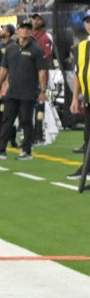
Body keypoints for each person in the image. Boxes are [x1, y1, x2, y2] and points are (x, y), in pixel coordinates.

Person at [0, 20, 48, 161]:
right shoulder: (11, 49)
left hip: (28, 92)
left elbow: (42, 72)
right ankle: (1, 149)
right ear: (17, 31)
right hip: (12, 91)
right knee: (7, 120)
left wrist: (43, 90)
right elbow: (4, 69)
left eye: (28, 28)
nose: (25, 30)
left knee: (25, 121)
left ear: (30, 31)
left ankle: (27, 150)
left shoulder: (36, 49)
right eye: (22, 28)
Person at [67, 10, 90, 179]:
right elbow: (78, 72)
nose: (89, 24)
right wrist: (76, 97)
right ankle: (87, 170)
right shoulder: (82, 45)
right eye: (87, 21)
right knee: (87, 137)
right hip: (88, 99)